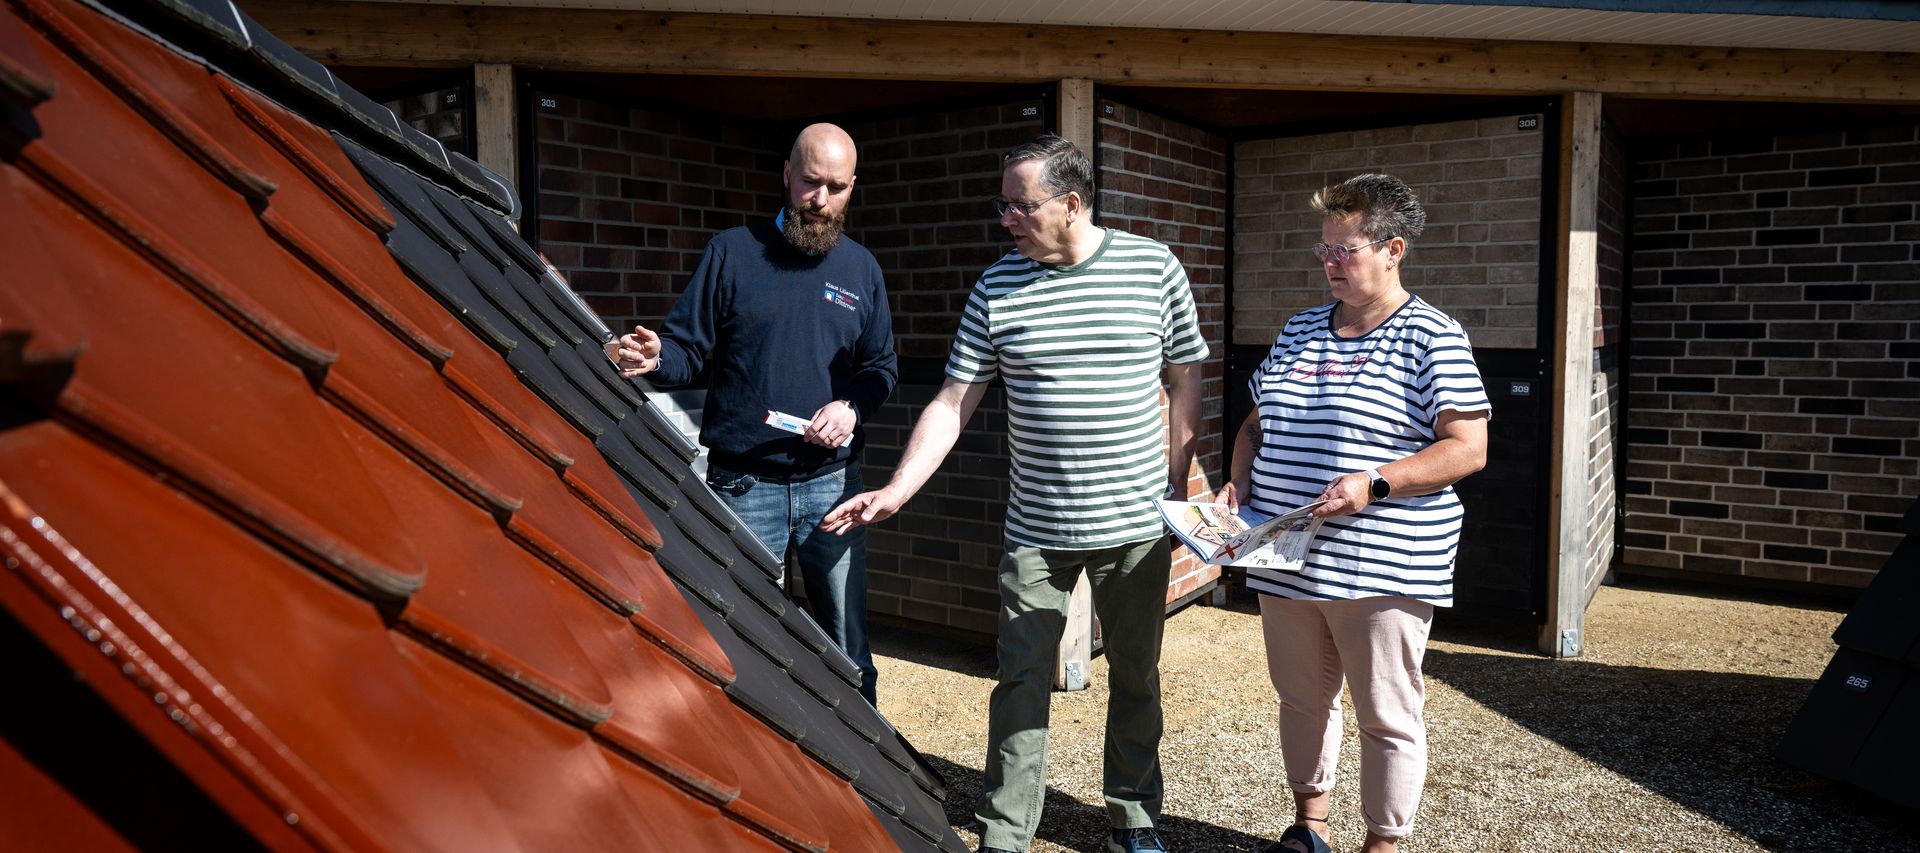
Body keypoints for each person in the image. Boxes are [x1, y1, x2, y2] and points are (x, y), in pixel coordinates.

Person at [821, 134, 1208, 853]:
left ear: (1071, 202)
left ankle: (1133, 814)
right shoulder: (997, 286)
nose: (1006, 219)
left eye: (1018, 205)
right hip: (1037, 529)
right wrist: (899, 488)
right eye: (1001, 205)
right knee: (1020, 679)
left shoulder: (1153, 267)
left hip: (1135, 526)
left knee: (1136, 675)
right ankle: (1006, 830)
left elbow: (1186, 374)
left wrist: (1180, 483)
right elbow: (953, 399)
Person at [1215, 174, 1489, 853]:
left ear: (1393, 248)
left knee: (1387, 715)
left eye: (1347, 249)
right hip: (1285, 557)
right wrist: (1235, 482)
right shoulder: (1302, 326)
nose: (1332, 262)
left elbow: (1469, 447)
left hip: (1380, 565)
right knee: (1302, 700)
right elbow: (1256, 422)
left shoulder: (1432, 335)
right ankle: (1310, 828)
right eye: (1325, 249)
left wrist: (1377, 482)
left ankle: (1383, 844)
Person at [607, 123, 896, 706]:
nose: (820, 201)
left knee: (848, 650)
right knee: (733, 639)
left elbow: (881, 368)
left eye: (836, 188)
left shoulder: (862, 270)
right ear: (787, 175)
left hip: (832, 490)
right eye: (810, 183)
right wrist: (658, 356)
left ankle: (866, 790)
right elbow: (687, 352)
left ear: (852, 187)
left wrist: (852, 408)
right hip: (743, 486)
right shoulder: (732, 253)